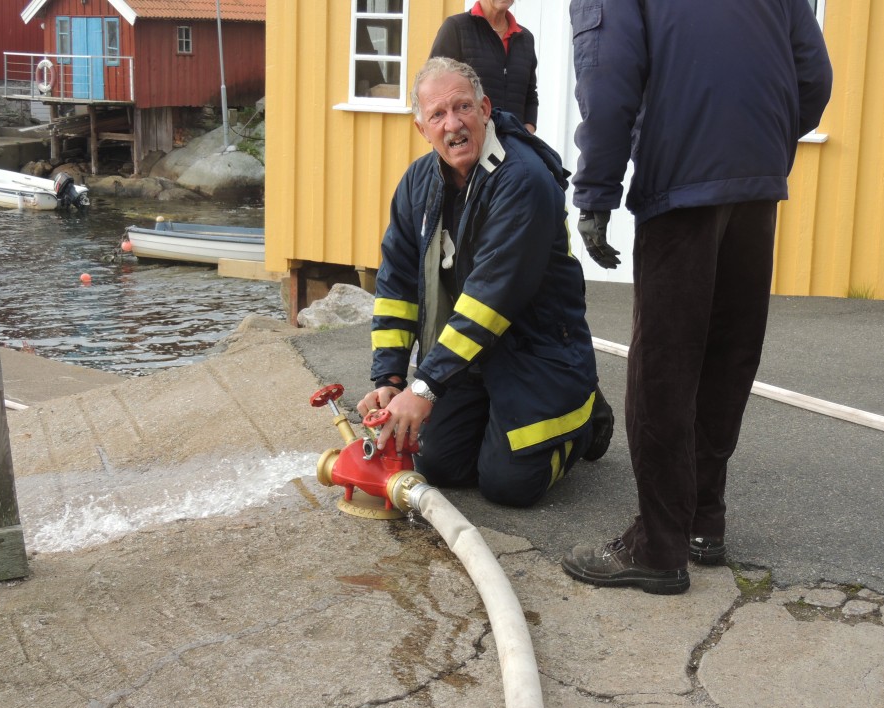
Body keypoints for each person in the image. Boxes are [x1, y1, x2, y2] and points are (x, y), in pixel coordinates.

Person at [561, 0, 833, 594]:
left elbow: (607, 82)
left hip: (680, 181)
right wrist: (756, 141)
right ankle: (704, 519)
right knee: (727, 351)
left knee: (665, 362)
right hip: (756, 181)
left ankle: (659, 545)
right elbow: (814, 76)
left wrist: (596, 193)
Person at [356, 57, 613, 508]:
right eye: (437, 114)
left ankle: (587, 415)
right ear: (422, 128)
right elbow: (395, 285)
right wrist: (391, 377)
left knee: (509, 486)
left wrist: (426, 385)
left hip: (537, 351)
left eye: (463, 108)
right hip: (473, 354)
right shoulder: (417, 182)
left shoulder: (524, 179)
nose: (452, 124)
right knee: (439, 466)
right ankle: (505, 425)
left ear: (485, 109)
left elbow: (491, 298)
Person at [430, 0, 538, 133]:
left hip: (514, 147)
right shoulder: (455, 28)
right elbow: (435, 91)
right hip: (465, 145)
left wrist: (527, 133)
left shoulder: (525, 38)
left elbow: (530, 95)